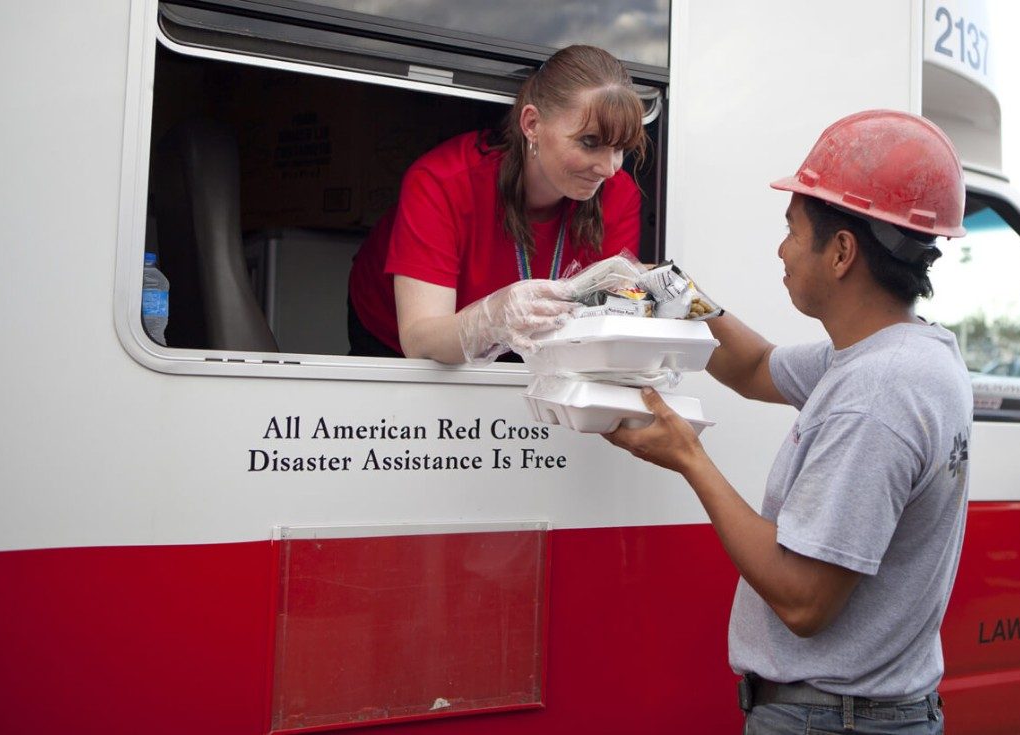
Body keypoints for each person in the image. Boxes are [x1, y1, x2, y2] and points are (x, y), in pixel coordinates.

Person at [604, 110, 973, 734]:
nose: (781, 249)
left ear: (842, 252)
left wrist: (689, 457)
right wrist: (674, 292)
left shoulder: (878, 393)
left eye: (792, 230)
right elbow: (753, 367)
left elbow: (803, 599)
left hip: (832, 721)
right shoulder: (899, 353)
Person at [347, 44, 647, 363]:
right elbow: (420, 341)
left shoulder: (618, 191)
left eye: (620, 148)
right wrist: (491, 319)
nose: (609, 168)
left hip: (526, 341)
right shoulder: (442, 181)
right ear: (532, 124)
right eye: (590, 143)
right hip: (394, 333)